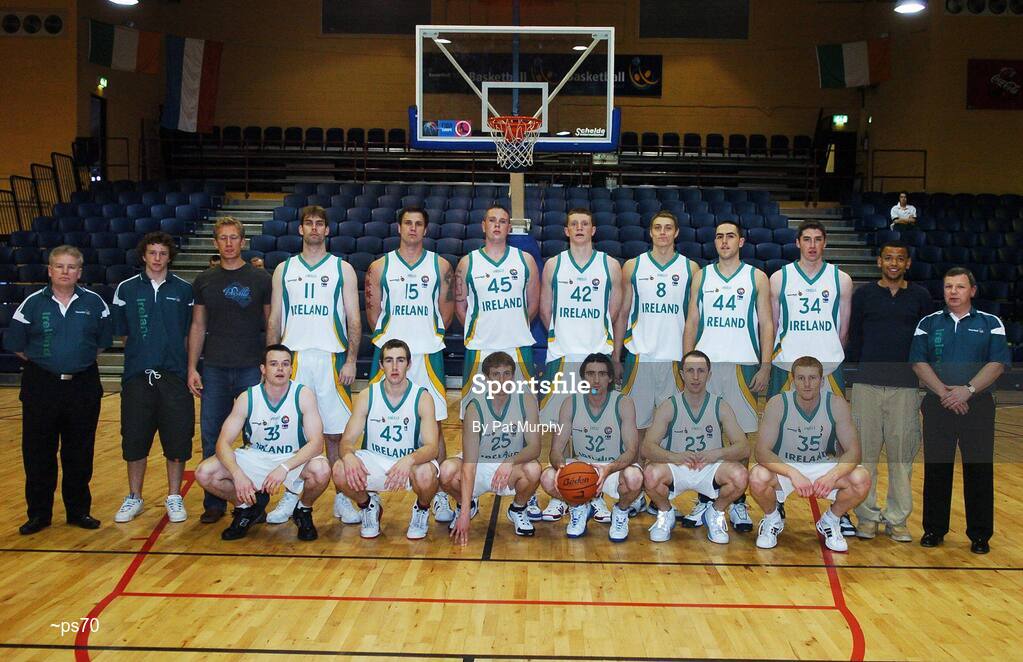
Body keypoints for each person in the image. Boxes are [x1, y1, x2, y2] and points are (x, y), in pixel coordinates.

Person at [5, 245, 112, 535]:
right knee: (38, 453)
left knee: (79, 452)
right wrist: (48, 362)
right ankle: (39, 514)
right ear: (49, 270)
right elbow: (17, 345)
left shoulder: (95, 303)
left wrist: (73, 360)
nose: (65, 272)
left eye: (71, 267)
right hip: (42, 386)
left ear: (80, 272)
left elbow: (101, 342)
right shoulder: (31, 304)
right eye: (59, 266)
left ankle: (78, 511)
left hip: (82, 386)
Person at [266, 205, 361, 525]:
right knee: (294, 435)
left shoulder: (341, 269)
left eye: (320, 224)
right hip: (293, 361)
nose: (315, 229)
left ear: (328, 230)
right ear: (300, 230)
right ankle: (290, 499)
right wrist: (270, 362)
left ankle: (342, 499)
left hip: (330, 360)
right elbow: (275, 319)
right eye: (309, 223)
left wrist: (350, 360)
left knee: (335, 437)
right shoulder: (284, 269)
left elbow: (354, 319)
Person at [910, 267, 1010, 555]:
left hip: (977, 405)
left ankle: (980, 535)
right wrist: (945, 393)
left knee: (978, 469)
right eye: (948, 286)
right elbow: (918, 362)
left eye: (960, 287)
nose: (953, 292)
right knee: (936, 468)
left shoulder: (991, 323)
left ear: (972, 291)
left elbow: (997, 364)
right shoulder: (928, 323)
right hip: (938, 404)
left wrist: (967, 390)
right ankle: (934, 529)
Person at [682, 220, 773, 532]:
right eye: (719, 236)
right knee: (704, 435)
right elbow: (692, 320)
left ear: (741, 241)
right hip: (705, 367)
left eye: (730, 236)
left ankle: (738, 501)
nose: (724, 241)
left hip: (741, 364)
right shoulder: (701, 276)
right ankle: (705, 499)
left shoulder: (756, 277)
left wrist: (765, 365)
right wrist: (687, 362)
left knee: (740, 438)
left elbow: (766, 323)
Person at [366, 206, 455, 523]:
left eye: (419, 224)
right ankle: (370, 496)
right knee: (373, 421)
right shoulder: (380, 267)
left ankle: (440, 493)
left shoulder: (440, 264)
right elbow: (373, 311)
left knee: (438, 425)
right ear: (398, 227)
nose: (413, 229)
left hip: (427, 355)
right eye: (408, 223)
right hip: (389, 355)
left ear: (426, 230)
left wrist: (427, 336)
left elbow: (447, 311)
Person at [769, 219, 856, 535]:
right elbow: (775, 324)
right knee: (779, 437)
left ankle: (840, 509)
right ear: (797, 242)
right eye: (807, 239)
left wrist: (830, 354)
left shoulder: (841, 280)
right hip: (786, 366)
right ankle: (776, 502)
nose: (812, 245)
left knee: (837, 438)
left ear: (825, 242)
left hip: (828, 367)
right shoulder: (779, 279)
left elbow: (844, 329)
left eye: (818, 239)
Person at [194, 344, 331, 541]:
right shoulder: (247, 397)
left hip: (291, 458)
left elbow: (317, 443)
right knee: (204, 472)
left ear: (291, 368)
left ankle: (303, 510)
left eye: (285, 364)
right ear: (263, 369)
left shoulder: (303, 394)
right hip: (256, 456)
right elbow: (222, 443)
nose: (280, 369)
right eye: (274, 364)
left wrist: (284, 467)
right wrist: (237, 474)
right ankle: (246, 509)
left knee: (322, 470)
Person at [454, 204, 540, 517]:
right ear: (483, 225)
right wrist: (485, 332)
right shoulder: (467, 263)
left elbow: (532, 305)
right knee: (473, 419)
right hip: (480, 351)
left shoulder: (525, 260)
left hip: (517, 348)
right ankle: (472, 489)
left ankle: (524, 490)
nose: (498, 225)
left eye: (503, 221)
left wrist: (509, 330)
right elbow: (461, 308)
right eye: (492, 220)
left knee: (524, 418)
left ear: (509, 227)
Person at [538, 209, 622, 521]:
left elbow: (613, 312)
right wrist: (563, 338)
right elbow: (546, 310)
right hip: (562, 355)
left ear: (593, 229)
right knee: (560, 428)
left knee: (595, 425)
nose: (579, 228)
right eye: (574, 224)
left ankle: (594, 492)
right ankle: (561, 492)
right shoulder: (553, 265)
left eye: (585, 223)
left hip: (596, 355)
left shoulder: (610, 265)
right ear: (566, 230)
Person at [846, 241, 932, 542]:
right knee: (865, 456)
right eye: (888, 258)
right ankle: (867, 517)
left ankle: (897, 520)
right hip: (867, 384)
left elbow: (926, 340)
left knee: (901, 457)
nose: (893, 263)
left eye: (900, 258)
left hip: (906, 388)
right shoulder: (865, 295)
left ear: (908, 263)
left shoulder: (920, 296)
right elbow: (854, 337)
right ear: (879, 262)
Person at [188, 217, 272, 524]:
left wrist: (269, 364)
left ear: (242, 241)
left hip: (251, 367)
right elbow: (198, 325)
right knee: (212, 436)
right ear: (215, 243)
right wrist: (191, 368)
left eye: (234, 237)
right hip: (215, 369)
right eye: (223, 238)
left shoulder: (261, 279)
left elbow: (270, 323)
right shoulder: (204, 280)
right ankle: (215, 502)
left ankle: (256, 500)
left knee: (255, 438)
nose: (228, 243)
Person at [111, 232, 195, 524]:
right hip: (137, 378)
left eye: (162, 253)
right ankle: (134, 496)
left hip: (174, 377)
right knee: (134, 440)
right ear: (143, 256)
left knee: (177, 440)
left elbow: (188, 334)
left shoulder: (185, 290)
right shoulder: (126, 289)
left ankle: (174, 495)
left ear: (169, 256)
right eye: (152, 253)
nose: (157, 258)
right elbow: (124, 334)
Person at [749, 356, 871, 552]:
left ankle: (831, 520)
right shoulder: (778, 403)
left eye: (813, 378)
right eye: (801, 378)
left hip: (823, 467)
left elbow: (854, 452)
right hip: (787, 466)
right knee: (757, 476)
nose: (807, 384)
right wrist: (793, 474)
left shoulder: (837, 404)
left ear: (822, 381)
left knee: (861, 478)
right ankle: (772, 519)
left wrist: (832, 476)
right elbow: (761, 452)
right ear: (793, 380)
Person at [332, 339, 440, 539]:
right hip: (375, 461)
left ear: (409, 364)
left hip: (409, 465)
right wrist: (348, 456)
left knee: (427, 474)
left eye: (400, 360)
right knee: (340, 469)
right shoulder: (366, 395)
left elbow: (432, 447)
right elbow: (347, 441)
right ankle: (368, 506)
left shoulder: (422, 397)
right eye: (389, 361)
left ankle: (422, 510)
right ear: (381, 365)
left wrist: (409, 460)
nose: (395, 366)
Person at [641, 351, 751, 544]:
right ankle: (665, 513)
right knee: (650, 474)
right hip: (677, 467)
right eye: (690, 371)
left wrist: (716, 454)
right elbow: (647, 448)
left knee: (740, 475)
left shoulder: (720, 405)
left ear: (709, 374)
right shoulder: (669, 405)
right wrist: (674, 457)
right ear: (682, 374)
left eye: (701, 371)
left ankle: (715, 512)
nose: (695, 376)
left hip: (709, 468)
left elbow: (743, 447)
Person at [540, 354, 641, 541]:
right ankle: (578, 507)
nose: (596, 380)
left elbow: (632, 451)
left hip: (612, 468)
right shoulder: (571, 403)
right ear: (583, 377)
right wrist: (561, 468)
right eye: (590, 374)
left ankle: (620, 512)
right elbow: (555, 450)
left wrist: (608, 468)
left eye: (602, 374)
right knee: (547, 478)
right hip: (582, 468)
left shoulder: (623, 403)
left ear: (610, 378)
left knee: (634, 478)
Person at [445, 351, 542, 544]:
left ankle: (518, 508)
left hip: (509, 468)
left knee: (534, 469)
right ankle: (467, 504)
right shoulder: (474, 408)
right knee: (446, 471)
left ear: (513, 377)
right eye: (496, 374)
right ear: (487, 379)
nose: (502, 379)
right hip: (479, 466)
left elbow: (535, 447)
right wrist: (464, 513)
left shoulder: (527, 401)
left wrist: (509, 461)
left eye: (507, 374)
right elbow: (469, 464)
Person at [615, 210, 695, 436]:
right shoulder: (633, 266)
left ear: (676, 233)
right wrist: (616, 355)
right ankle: (638, 470)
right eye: (658, 227)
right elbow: (622, 314)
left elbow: (693, 319)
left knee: (672, 426)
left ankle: (665, 471)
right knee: (636, 424)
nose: (663, 232)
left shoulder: (690, 269)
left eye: (668, 228)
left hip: (674, 357)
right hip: (640, 356)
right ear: (650, 232)